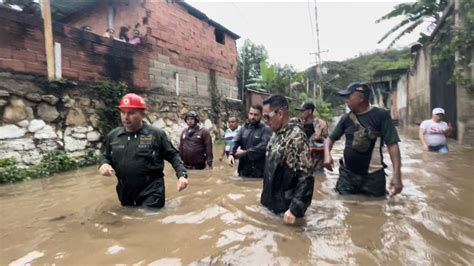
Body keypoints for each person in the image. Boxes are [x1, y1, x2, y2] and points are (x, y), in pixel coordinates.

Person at [99, 93, 188, 208]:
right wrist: (104, 164)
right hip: (125, 191)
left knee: (148, 220)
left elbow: (173, 155)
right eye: (123, 112)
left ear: (143, 114)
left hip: (152, 191)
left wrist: (182, 176)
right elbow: (105, 156)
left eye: (131, 113)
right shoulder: (113, 136)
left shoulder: (156, 135)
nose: (125, 117)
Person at [324, 82, 403, 197]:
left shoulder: (381, 116)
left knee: (375, 210)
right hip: (347, 176)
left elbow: (392, 145)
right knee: (345, 206)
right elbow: (329, 139)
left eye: (348, 97)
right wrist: (327, 155)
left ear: (360, 98)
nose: (346, 100)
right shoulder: (346, 119)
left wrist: (397, 175)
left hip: (373, 178)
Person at [260, 94, 314, 224]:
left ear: (279, 114)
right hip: (271, 204)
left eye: (267, 117)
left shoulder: (296, 137)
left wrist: (294, 210)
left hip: (285, 211)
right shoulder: (276, 133)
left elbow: (306, 177)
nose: (265, 122)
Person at [228, 104, 272, 178]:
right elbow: (235, 141)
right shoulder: (243, 128)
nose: (252, 117)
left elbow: (264, 146)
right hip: (243, 170)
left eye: (256, 115)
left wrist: (246, 152)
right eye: (251, 114)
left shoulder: (266, 129)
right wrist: (231, 154)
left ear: (261, 115)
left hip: (259, 171)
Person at [296, 102, 329, 172]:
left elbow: (327, 140)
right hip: (303, 161)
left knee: (318, 179)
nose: (300, 113)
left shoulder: (321, 123)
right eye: (300, 111)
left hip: (317, 162)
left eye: (302, 111)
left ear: (310, 111)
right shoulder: (298, 124)